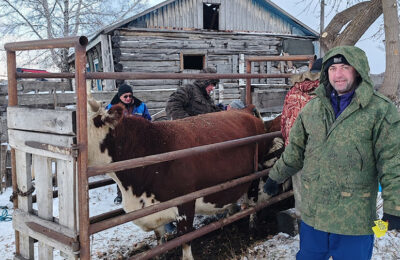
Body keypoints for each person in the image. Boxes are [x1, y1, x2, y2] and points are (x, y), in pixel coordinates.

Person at [263, 46, 400, 259]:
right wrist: (275, 176)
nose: (338, 74)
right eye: (333, 68)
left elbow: (392, 161)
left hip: (353, 220)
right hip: (314, 216)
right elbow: (296, 150)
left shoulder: (380, 111)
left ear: (358, 70)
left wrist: (395, 206)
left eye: (345, 67)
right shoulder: (312, 109)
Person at [280, 58, 322, 217]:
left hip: (294, 151)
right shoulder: (325, 92)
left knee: (301, 196)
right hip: (318, 154)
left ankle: (304, 228)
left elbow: (283, 121)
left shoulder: (293, 91)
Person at [107, 83, 152, 205]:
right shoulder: (111, 107)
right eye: (125, 96)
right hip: (120, 143)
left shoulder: (140, 106)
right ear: (119, 96)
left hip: (138, 142)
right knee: (121, 169)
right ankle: (121, 194)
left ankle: (139, 192)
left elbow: (148, 120)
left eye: (130, 96)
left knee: (139, 167)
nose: (128, 98)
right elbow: (107, 126)